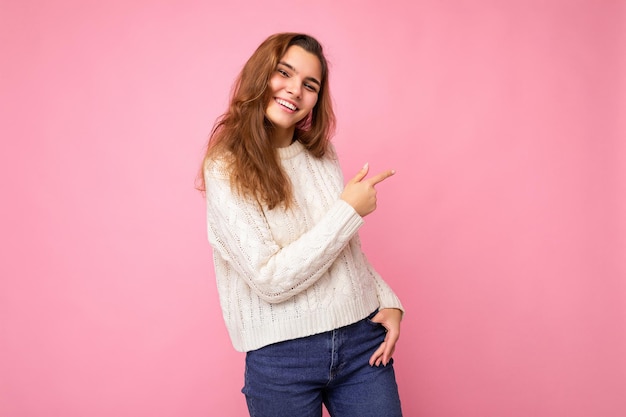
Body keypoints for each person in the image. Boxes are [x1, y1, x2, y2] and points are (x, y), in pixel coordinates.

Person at [199, 32, 404, 417]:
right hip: (282, 359)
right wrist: (348, 211)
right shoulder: (225, 168)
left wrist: (387, 300)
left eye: (310, 85)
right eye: (284, 73)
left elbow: (343, 251)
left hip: (361, 343)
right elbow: (269, 279)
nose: (295, 90)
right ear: (261, 75)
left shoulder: (322, 155)